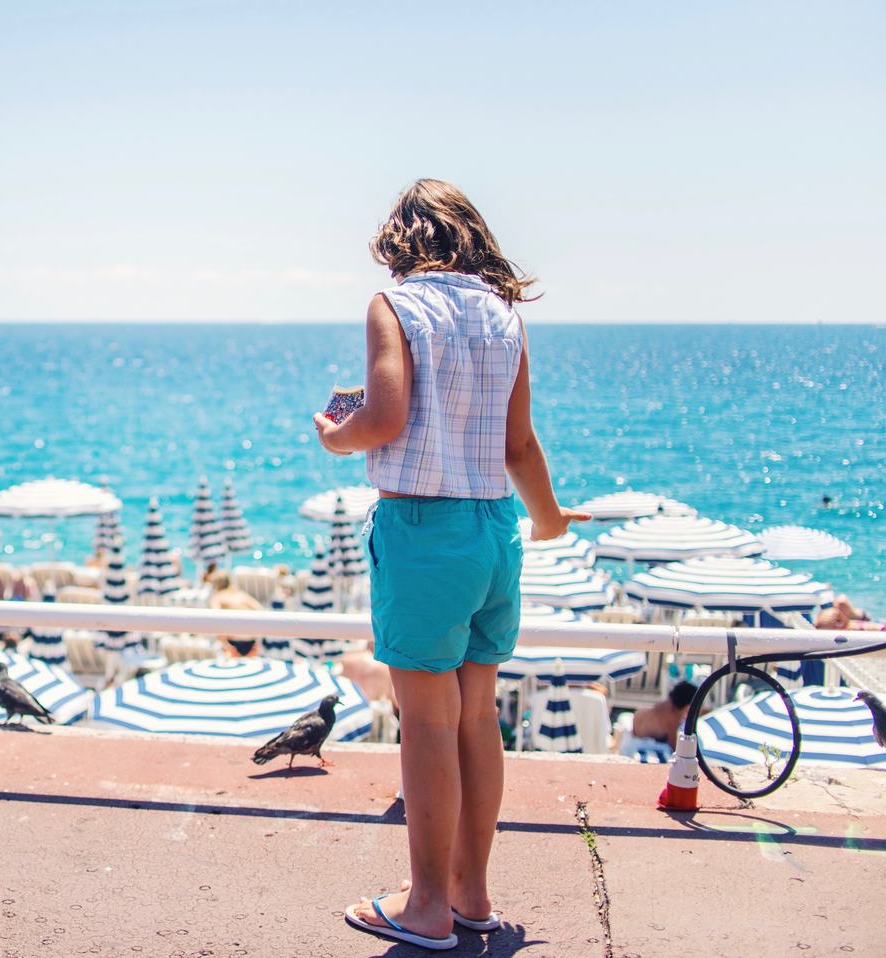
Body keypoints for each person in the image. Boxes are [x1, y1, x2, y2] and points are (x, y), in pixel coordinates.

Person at [314, 179, 592, 950]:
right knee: (476, 716)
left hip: (424, 531)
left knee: (426, 723)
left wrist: (334, 435)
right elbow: (519, 445)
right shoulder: (504, 315)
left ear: (403, 240)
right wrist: (549, 521)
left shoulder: (393, 305)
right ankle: (472, 895)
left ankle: (427, 906)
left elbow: (386, 416)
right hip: (494, 528)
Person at [620, 681, 697, 760]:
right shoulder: (673, 717)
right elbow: (674, 747)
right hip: (643, 741)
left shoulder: (666, 704)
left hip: (636, 727)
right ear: (688, 705)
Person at [208, 571, 262, 656]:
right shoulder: (241, 595)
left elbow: (216, 621)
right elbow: (260, 610)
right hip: (251, 641)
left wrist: (225, 645)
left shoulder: (217, 597)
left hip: (232, 642)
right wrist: (258, 641)